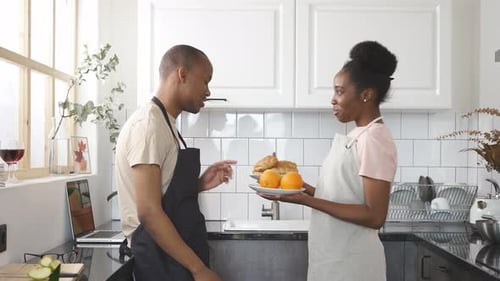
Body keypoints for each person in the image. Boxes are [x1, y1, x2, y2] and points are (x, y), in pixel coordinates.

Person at [260, 41, 398, 281]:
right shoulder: (358, 135)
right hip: (334, 260)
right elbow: (342, 197)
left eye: (340, 91)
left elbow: (375, 216)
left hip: (353, 265)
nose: (332, 100)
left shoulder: (375, 139)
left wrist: (306, 200)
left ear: (366, 94)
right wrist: (297, 191)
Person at [115, 45, 236, 281]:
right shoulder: (148, 125)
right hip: (161, 261)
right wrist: (198, 269)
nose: (208, 91)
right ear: (182, 75)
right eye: (205, 81)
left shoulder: (165, 123)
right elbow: (149, 212)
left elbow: (163, 194)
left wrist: (198, 184)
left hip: (174, 258)